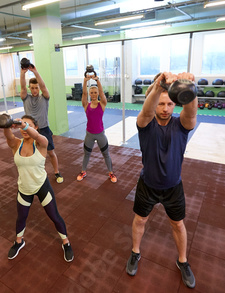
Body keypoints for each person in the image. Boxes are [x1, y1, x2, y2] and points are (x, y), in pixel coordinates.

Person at [126, 71, 197, 289]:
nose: (165, 108)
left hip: (173, 187)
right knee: (140, 220)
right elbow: (146, 112)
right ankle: (135, 252)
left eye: (169, 104)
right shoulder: (145, 125)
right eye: (161, 104)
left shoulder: (181, 126)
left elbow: (191, 114)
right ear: (155, 103)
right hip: (147, 185)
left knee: (178, 224)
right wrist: (158, 86)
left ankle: (182, 261)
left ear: (175, 104)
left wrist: (189, 87)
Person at [1, 114, 74, 262]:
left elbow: (38, 137)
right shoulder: (16, 144)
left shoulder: (41, 143)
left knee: (55, 216)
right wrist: (7, 124)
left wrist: (23, 125)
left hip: (42, 187)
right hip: (24, 189)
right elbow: (8, 136)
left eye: (28, 125)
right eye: (22, 125)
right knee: (21, 218)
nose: (24, 129)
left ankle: (66, 242)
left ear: (35, 127)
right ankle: (19, 241)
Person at [20, 58, 63, 183]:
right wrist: (22, 73)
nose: (34, 90)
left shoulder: (44, 98)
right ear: (29, 88)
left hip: (44, 129)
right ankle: (34, 175)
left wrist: (35, 72)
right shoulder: (25, 98)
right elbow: (22, 87)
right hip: (29, 131)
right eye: (32, 88)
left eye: (36, 88)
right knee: (31, 154)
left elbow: (43, 86)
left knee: (51, 153)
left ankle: (57, 172)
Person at [76, 68, 117, 183]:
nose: (93, 94)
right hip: (89, 134)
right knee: (86, 154)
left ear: (97, 93)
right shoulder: (86, 105)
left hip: (100, 134)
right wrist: (85, 81)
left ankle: (111, 173)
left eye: (95, 92)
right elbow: (83, 93)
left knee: (106, 154)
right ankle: (83, 171)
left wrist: (97, 80)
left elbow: (103, 93)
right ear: (90, 94)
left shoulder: (102, 104)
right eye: (92, 93)